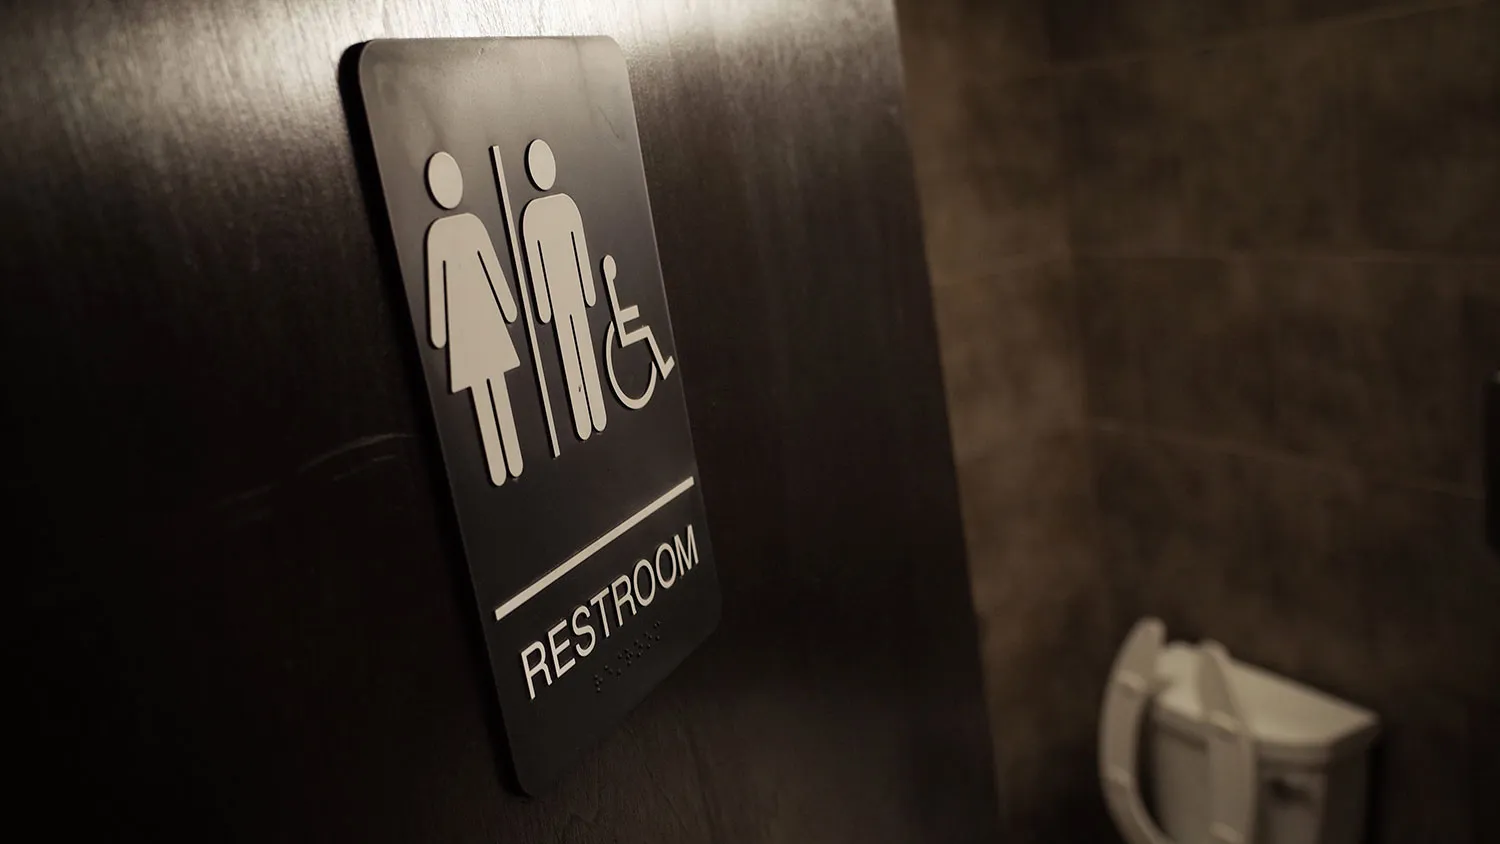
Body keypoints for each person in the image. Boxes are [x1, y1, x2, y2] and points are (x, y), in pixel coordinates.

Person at [424, 151, 524, 485]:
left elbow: (493, 272)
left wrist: (509, 309)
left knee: (493, 387)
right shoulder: (442, 234)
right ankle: (502, 465)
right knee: (487, 391)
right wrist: (439, 333)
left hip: (478, 323)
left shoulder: (455, 230)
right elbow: (438, 288)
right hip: (471, 325)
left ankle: (509, 459)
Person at [519, 139, 608, 441]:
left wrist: (588, 291)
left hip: (570, 297)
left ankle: (596, 411)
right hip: (558, 301)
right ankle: (584, 420)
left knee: (582, 347)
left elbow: (579, 251)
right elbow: (535, 262)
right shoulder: (530, 215)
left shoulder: (564, 208)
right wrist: (543, 307)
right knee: (569, 353)